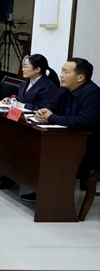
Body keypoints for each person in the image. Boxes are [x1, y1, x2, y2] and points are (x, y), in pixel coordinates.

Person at [27, 58, 100, 202]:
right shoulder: (64, 89)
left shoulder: (93, 94)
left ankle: (53, 199)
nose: (61, 75)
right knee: (33, 147)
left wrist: (51, 117)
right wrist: (43, 112)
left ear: (80, 77)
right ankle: (40, 191)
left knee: (50, 155)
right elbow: (51, 107)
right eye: (62, 71)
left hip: (89, 147)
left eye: (66, 72)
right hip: (66, 141)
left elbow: (85, 121)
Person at [0, 54, 62, 191]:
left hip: (34, 124)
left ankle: (10, 178)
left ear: (37, 69)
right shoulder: (27, 82)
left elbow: (44, 108)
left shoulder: (48, 86)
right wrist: (10, 99)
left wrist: (23, 105)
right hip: (20, 119)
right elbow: (19, 98)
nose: (22, 69)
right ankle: (2, 172)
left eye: (26, 66)